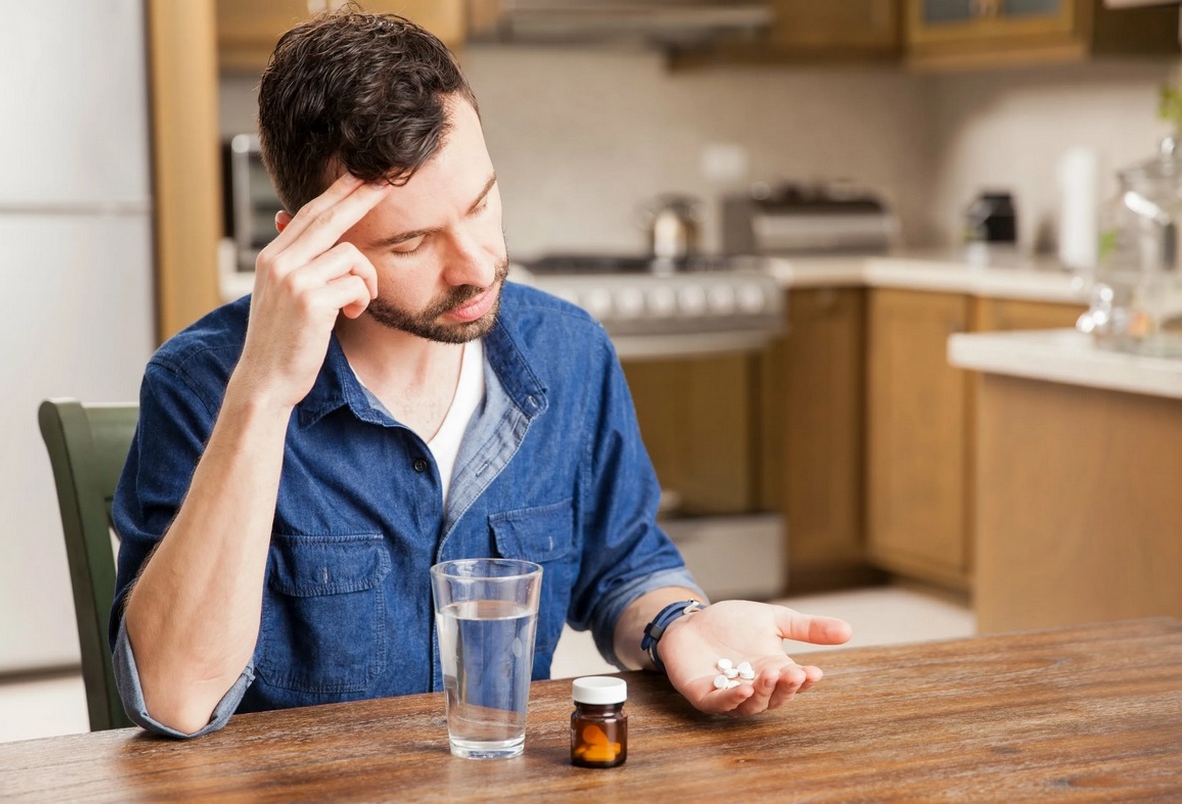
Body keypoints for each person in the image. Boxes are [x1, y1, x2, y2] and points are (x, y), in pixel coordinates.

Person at [109, 9, 852, 738]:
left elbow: (622, 566)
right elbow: (174, 699)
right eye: (410, 243)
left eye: (481, 201)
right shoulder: (204, 383)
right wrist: (264, 396)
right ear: (308, 243)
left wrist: (682, 624)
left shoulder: (569, 351)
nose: (475, 266)